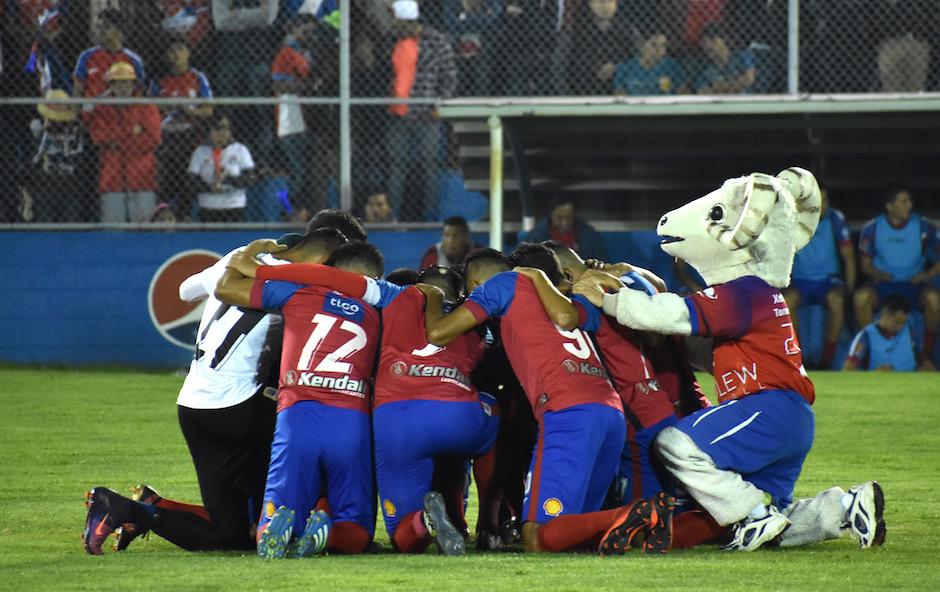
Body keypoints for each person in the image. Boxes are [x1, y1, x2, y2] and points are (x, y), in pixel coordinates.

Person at [83, 232, 344, 555]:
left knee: (228, 536)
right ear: (322, 262)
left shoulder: (240, 258)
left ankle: (130, 508)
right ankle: (297, 523)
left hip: (193, 405)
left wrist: (239, 258)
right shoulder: (298, 287)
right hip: (238, 408)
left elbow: (185, 290)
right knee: (316, 428)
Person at [421, 242, 673, 555]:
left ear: (476, 284)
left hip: (568, 411)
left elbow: (438, 333)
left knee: (536, 538)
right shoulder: (567, 298)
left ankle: (632, 515)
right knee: (572, 536)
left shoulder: (503, 284)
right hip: (609, 412)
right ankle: (623, 520)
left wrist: (430, 296)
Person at [238, 260, 499, 555]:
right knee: (498, 414)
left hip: (385, 418)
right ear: (462, 295)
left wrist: (260, 267)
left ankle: (420, 523)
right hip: (453, 416)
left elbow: (329, 280)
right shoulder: (477, 323)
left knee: (402, 534)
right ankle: (490, 522)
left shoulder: (392, 300)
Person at [216, 241, 388, 558]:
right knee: (356, 530)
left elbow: (226, 289)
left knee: (279, 505)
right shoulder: (381, 309)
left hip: (297, 416)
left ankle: (275, 528)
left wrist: (244, 257)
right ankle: (327, 533)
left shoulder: (298, 293)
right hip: (351, 421)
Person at [385, 0, 457, 221]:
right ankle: (393, 215)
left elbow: (449, 76)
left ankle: (432, 215)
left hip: (426, 113)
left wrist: (437, 105)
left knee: (430, 165)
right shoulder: (391, 41)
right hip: (398, 112)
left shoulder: (436, 41)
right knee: (396, 165)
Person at [854, 187, 940, 364]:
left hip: (914, 285)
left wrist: (926, 274)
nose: (909, 205)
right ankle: (870, 354)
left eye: (909, 201)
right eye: (903, 201)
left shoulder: (924, 226)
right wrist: (878, 273)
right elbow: (865, 265)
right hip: (884, 285)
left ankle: (926, 355)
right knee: (861, 298)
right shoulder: (873, 228)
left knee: (934, 300)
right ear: (890, 206)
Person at [783, 188, 856, 369]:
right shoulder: (793, 218)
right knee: (787, 302)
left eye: (826, 199)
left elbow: (848, 255)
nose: (823, 204)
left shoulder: (834, 219)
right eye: (818, 200)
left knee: (837, 301)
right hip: (800, 281)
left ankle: (826, 360)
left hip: (828, 281)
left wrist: (850, 288)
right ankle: (797, 358)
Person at [87, 62, 162, 223]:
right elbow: (98, 137)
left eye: (126, 82)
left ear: (134, 84)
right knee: (113, 230)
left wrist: (116, 143)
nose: (122, 87)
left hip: (142, 177)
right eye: (117, 82)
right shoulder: (102, 107)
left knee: (143, 230)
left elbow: (153, 139)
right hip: (112, 178)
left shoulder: (146, 105)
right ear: (111, 85)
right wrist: (132, 133)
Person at [149, 40, 213, 219]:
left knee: (187, 179)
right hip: (166, 136)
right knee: (165, 179)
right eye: (172, 50)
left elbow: (208, 110)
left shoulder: (197, 77)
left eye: (179, 49)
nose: (175, 55)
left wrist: (188, 110)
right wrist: (165, 109)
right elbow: (149, 111)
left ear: (188, 53)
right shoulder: (159, 81)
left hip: (189, 136)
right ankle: (164, 217)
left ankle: (186, 217)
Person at [20, 89, 92, 222]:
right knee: (47, 219)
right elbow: (35, 159)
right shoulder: (43, 132)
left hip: (70, 184)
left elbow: (80, 154)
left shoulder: (76, 131)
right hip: (48, 183)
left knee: (70, 221)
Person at [271, 14, 318, 213]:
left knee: (305, 168)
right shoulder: (286, 53)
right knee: (297, 168)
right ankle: (288, 210)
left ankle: (298, 210)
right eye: (305, 31)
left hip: (306, 115)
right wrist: (307, 86)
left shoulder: (308, 52)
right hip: (289, 116)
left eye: (312, 31)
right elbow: (278, 85)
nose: (310, 35)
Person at [554, 0, 634, 95]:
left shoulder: (627, 30)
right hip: (582, 91)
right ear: (590, 4)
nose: (605, 7)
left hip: (619, 92)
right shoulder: (576, 30)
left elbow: (638, 59)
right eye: (599, 2)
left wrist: (617, 67)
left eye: (610, 2)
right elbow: (560, 66)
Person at [73, 9, 146, 113]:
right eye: (98, 27)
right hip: (93, 116)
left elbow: (139, 92)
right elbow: (77, 91)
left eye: (106, 27)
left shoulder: (133, 59)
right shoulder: (86, 56)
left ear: (119, 30)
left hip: (124, 116)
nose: (100, 31)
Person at [188, 113, 257, 222]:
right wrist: (209, 187)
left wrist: (228, 180)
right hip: (208, 207)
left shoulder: (240, 150)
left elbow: (250, 179)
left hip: (234, 207)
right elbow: (190, 182)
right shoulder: (200, 152)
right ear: (209, 131)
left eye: (226, 128)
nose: (222, 133)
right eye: (217, 129)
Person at [845, 295, 925, 371]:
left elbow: (921, 359)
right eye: (896, 323)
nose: (900, 327)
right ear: (885, 314)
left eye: (903, 323)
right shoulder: (866, 336)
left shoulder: (910, 332)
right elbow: (848, 368)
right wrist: (874, 375)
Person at [523, 196, 608, 261]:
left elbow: (604, 263)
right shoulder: (536, 237)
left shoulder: (589, 236)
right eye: (559, 217)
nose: (564, 222)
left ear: (574, 215)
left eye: (569, 217)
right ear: (551, 214)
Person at [614, 29, 686, 96]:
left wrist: (671, 89)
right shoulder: (627, 67)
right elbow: (619, 93)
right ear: (642, 45)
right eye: (653, 44)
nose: (659, 49)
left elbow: (684, 91)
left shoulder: (672, 66)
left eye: (663, 45)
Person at [694, 23, 756, 94]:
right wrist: (736, 84)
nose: (708, 45)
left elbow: (749, 79)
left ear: (724, 39)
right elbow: (702, 92)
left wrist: (717, 87)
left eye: (712, 40)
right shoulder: (705, 68)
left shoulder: (741, 55)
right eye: (704, 42)